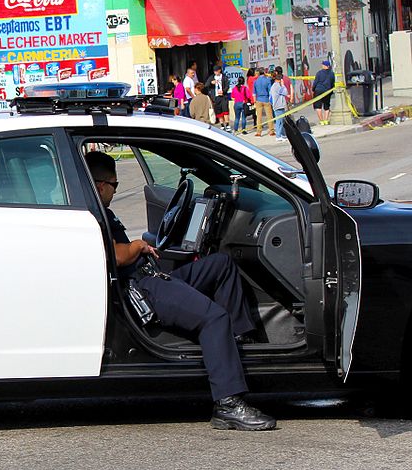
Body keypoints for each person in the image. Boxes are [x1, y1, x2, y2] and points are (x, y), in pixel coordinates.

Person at [85, 151, 275, 431]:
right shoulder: (92, 213)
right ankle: (228, 403)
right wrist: (138, 246)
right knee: (214, 318)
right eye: (115, 185)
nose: (115, 190)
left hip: (150, 277)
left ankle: (236, 342)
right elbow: (116, 255)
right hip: (142, 289)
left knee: (221, 265)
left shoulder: (99, 209)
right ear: (101, 185)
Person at [311, 59, 336, 125]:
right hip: (327, 91)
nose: (322, 65)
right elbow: (332, 82)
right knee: (326, 106)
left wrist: (313, 89)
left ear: (325, 66)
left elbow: (315, 82)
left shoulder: (319, 73)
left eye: (323, 64)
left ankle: (321, 121)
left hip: (318, 91)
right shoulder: (332, 73)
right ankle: (326, 120)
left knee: (318, 106)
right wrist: (331, 90)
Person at [207, 63, 230, 130]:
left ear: (220, 70)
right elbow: (206, 85)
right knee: (219, 112)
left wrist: (223, 91)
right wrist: (211, 83)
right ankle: (222, 125)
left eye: (217, 71)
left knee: (225, 110)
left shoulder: (224, 77)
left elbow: (227, 86)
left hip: (223, 96)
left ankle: (227, 124)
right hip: (216, 97)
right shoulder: (212, 77)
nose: (216, 72)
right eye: (215, 71)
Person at [252, 68, 273, 137]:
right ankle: (271, 130)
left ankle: (259, 131)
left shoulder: (255, 81)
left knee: (259, 116)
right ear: (264, 72)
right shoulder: (267, 80)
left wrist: (254, 101)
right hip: (266, 99)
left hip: (258, 99)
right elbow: (270, 91)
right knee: (269, 116)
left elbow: (254, 92)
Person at [270, 72, 289, 141]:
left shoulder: (273, 86)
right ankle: (278, 135)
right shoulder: (277, 86)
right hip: (279, 105)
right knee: (279, 121)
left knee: (281, 121)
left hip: (277, 105)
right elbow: (285, 92)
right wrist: (283, 85)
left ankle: (283, 135)